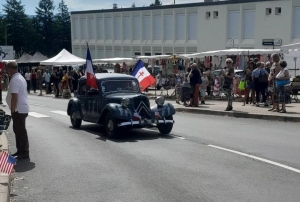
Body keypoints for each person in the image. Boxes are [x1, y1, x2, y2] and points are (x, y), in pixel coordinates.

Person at [5, 62, 29, 159]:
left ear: (10, 69)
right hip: (22, 108)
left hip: (18, 109)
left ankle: (24, 152)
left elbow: (14, 96)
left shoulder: (14, 80)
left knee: (20, 131)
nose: (7, 71)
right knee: (18, 130)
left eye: (7, 69)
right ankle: (20, 150)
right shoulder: (20, 77)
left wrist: (13, 109)